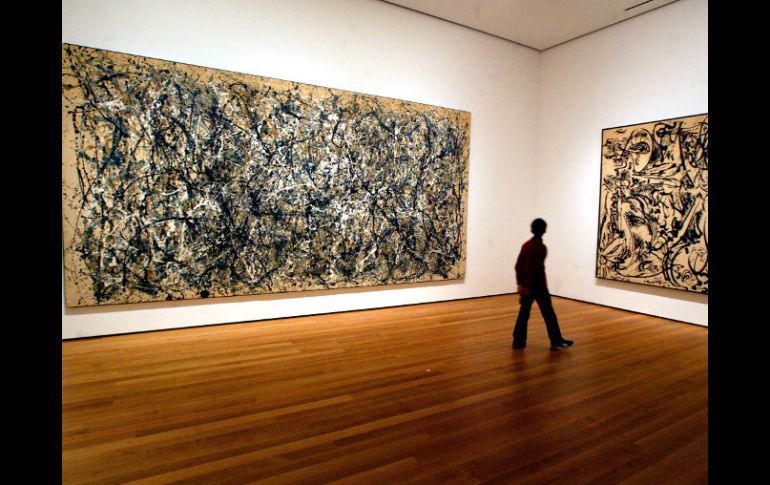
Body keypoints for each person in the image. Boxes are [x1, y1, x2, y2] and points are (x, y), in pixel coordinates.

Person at [512, 218, 573, 349]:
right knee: (548, 314)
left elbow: (518, 265)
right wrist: (527, 285)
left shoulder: (526, 245)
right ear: (544, 230)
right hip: (538, 286)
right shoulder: (541, 248)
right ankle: (556, 340)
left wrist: (521, 284)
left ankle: (518, 341)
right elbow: (536, 270)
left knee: (524, 313)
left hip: (527, 285)